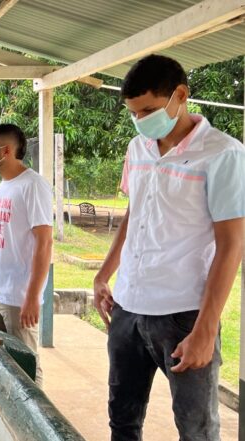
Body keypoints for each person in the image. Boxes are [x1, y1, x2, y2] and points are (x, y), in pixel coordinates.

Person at [93, 54, 244, 441]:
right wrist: (103, 274)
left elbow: (231, 244)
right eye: (133, 113)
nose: (141, 121)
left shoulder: (223, 154)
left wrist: (206, 329)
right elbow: (134, 212)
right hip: (128, 307)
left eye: (148, 110)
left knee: (197, 430)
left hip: (183, 316)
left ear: (180, 95)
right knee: (122, 423)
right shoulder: (137, 148)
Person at [0, 123, 53, 386]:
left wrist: (31, 296)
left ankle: (37, 424)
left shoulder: (33, 185)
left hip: (18, 297)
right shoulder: (3, 188)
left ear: (5, 150)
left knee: (26, 364)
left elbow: (45, 243)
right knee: (3, 361)